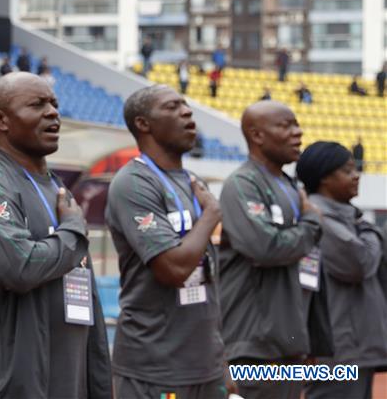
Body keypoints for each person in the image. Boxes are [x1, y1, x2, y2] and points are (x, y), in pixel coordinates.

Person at [0, 72, 111, 399]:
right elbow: (20, 267)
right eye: (37, 105)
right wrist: (72, 230)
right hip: (7, 387)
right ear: (2, 120)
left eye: (54, 104)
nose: (53, 112)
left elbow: (89, 303)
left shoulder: (58, 189)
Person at [106, 85, 231, 399]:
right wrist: (210, 215)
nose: (187, 112)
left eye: (186, 105)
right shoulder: (134, 183)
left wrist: (220, 358)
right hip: (155, 365)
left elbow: (208, 280)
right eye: (173, 107)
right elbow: (173, 269)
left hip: (205, 364)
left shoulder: (192, 182)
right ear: (143, 124)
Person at [218, 101, 324, 399]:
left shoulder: (290, 185)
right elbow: (265, 247)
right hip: (253, 345)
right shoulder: (242, 184)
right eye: (285, 125)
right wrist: (312, 223)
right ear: (257, 135)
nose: (298, 132)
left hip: (288, 343)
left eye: (297, 125)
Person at [296, 142, 387, 399]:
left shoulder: (347, 217)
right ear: (324, 177)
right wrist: (371, 232)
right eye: (347, 170)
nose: (356, 175)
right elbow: (358, 263)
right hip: (338, 353)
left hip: (356, 348)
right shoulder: (318, 217)